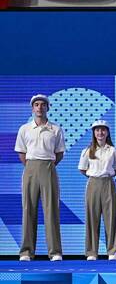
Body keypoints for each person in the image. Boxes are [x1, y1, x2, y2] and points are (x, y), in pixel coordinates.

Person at [15, 94, 66, 261]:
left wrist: (47, 166)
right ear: (32, 108)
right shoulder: (24, 129)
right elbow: (22, 152)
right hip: (30, 167)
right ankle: (26, 252)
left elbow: (59, 153)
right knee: (28, 209)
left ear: (47, 108)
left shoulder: (56, 129)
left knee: (51, 210)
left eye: (43, 105)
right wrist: (32, 166)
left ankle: (55, 252)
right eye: (36, 105)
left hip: (48, 167)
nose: (39, 107)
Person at [78, 120, 116, 261]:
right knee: (92, 218)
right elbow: (82, 169)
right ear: (93, 133)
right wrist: (95, 176)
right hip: (93, 184)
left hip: (108, 183)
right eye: (97, 130)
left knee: (111, 217)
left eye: (103, 130)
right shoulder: (87, 151)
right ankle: (92, 252)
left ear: (107, 132)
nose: (100, 133)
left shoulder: (113, 151)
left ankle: (112, 251)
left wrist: (106, 175)